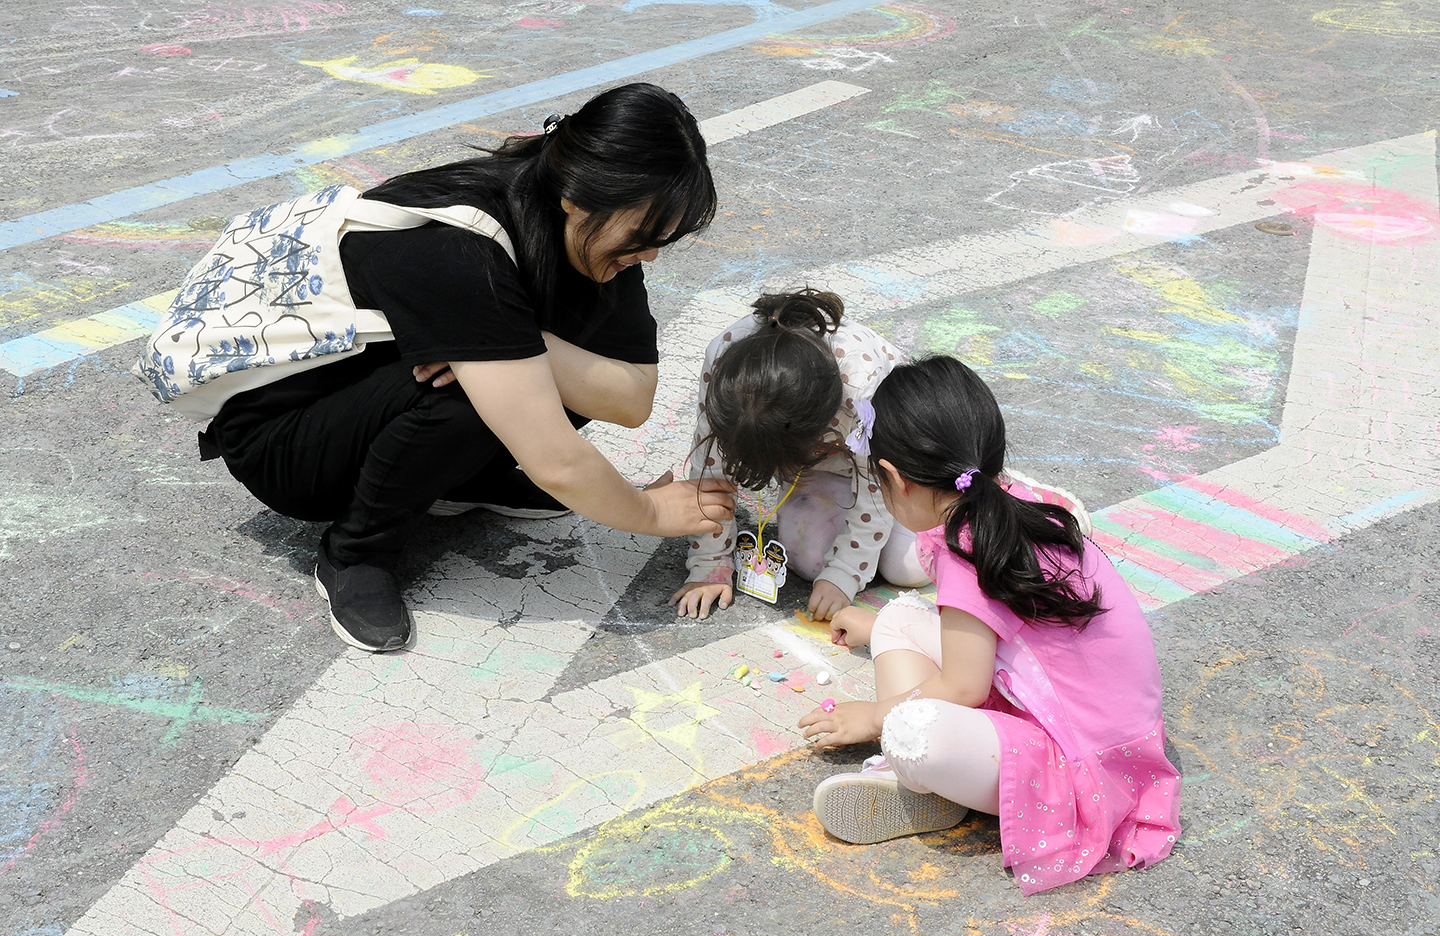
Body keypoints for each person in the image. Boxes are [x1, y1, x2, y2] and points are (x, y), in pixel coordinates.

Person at [198, 83, 735, 652]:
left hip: (375, 393)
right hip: (288, 443)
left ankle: (473, 478)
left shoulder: (586, 230)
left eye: (663, 240)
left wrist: (520, 344)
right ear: (579, 196)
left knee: (515, 369)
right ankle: (357, 550)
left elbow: (630, 399)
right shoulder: (456, 247)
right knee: (481, 390)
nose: (649, 255)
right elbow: (556, 461)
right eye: (643, 236)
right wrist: (649, 511)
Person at [798, 356, 1181, 894]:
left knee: (912, 730)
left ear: (893, 480)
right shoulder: (1007, 506)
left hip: (1081, 766)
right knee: (899, 618)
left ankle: (914, 777)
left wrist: (873, 718)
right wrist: (882, 628)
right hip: (1106, 728)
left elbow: (963, 684)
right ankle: (928, 782)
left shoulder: (964, 550)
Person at [669, 289, 925, 623]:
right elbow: (711, 466)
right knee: (809, 562)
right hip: (822, 462)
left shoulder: (864, 387)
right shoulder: (724, 362)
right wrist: (710, 564)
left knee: (906, 567)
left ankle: (968, 495)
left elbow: (877, 482)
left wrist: (845, 574)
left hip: (897, 464)